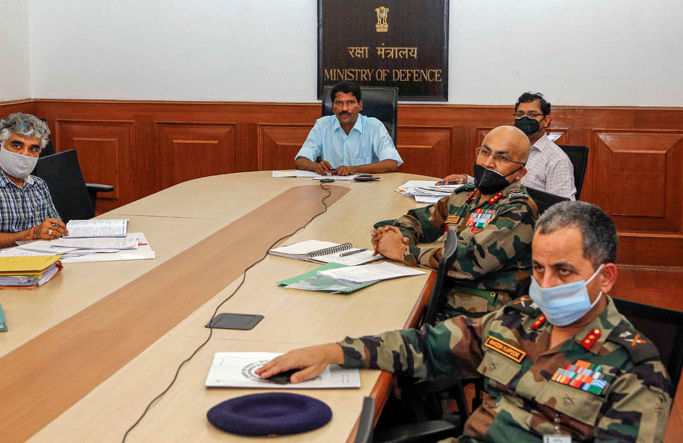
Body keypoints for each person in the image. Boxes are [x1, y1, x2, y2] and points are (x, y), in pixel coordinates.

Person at [257, 201, 672, 442]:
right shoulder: (518, 319)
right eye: (538, 268)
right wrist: (333, 351)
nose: (545, 283)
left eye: (564, 271)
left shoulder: (635, 371)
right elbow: (425, 347)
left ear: (606, 277)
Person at [372, 126, 537, 315]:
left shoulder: (518, 209)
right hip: (442, 294)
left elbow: (470, 259)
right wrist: (399, 235)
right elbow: (419, 220)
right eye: (485, 152)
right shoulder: (467, 196)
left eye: (502, 158)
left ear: (520, 173)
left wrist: (403, 251)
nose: (488, 163)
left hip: (480, 316)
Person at [0, 113, 68, 257]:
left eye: (33, 149)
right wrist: (33, 234)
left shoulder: (38, 185)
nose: (25, 154)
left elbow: (53, 228)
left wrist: (55, 231)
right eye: (17, 145)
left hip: (32, 263)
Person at [441, 92, 577, 200]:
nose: (525, 119)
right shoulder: (506, 148)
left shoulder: (557, 160)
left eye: (532, 115)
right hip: (499, 212)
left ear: (546, 120)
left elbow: (564, 209)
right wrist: (467, 180)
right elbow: (499, 181)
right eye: (520, 114)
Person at [294, 81, 403, 176]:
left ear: (360, 105)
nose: (344, 108)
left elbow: (392, 163)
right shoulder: (322, 125)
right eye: (339, 103)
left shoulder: (374, 127)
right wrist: (316, 167)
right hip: (331, 190)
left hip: (367, 190)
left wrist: (354, 169)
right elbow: (300, 160)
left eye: (350, 103)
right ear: (332, 106)